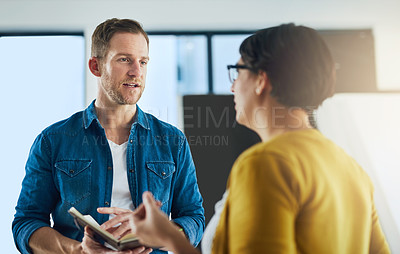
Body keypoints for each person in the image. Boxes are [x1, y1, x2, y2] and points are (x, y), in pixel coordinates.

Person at [101, 23, 391, 254]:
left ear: (261, 80)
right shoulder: (351, 168)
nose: (233, 86)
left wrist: (169, 239)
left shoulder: (266, 164)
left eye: (238, 72)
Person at [12, 18, 205, 254]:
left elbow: (193, 218)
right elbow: (26, 224)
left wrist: (158, 236)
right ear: (96, 66)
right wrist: (79, 250)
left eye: (143, 61)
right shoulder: (52, 141)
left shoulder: (173, 141)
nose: (136, 71)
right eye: (124, 59)